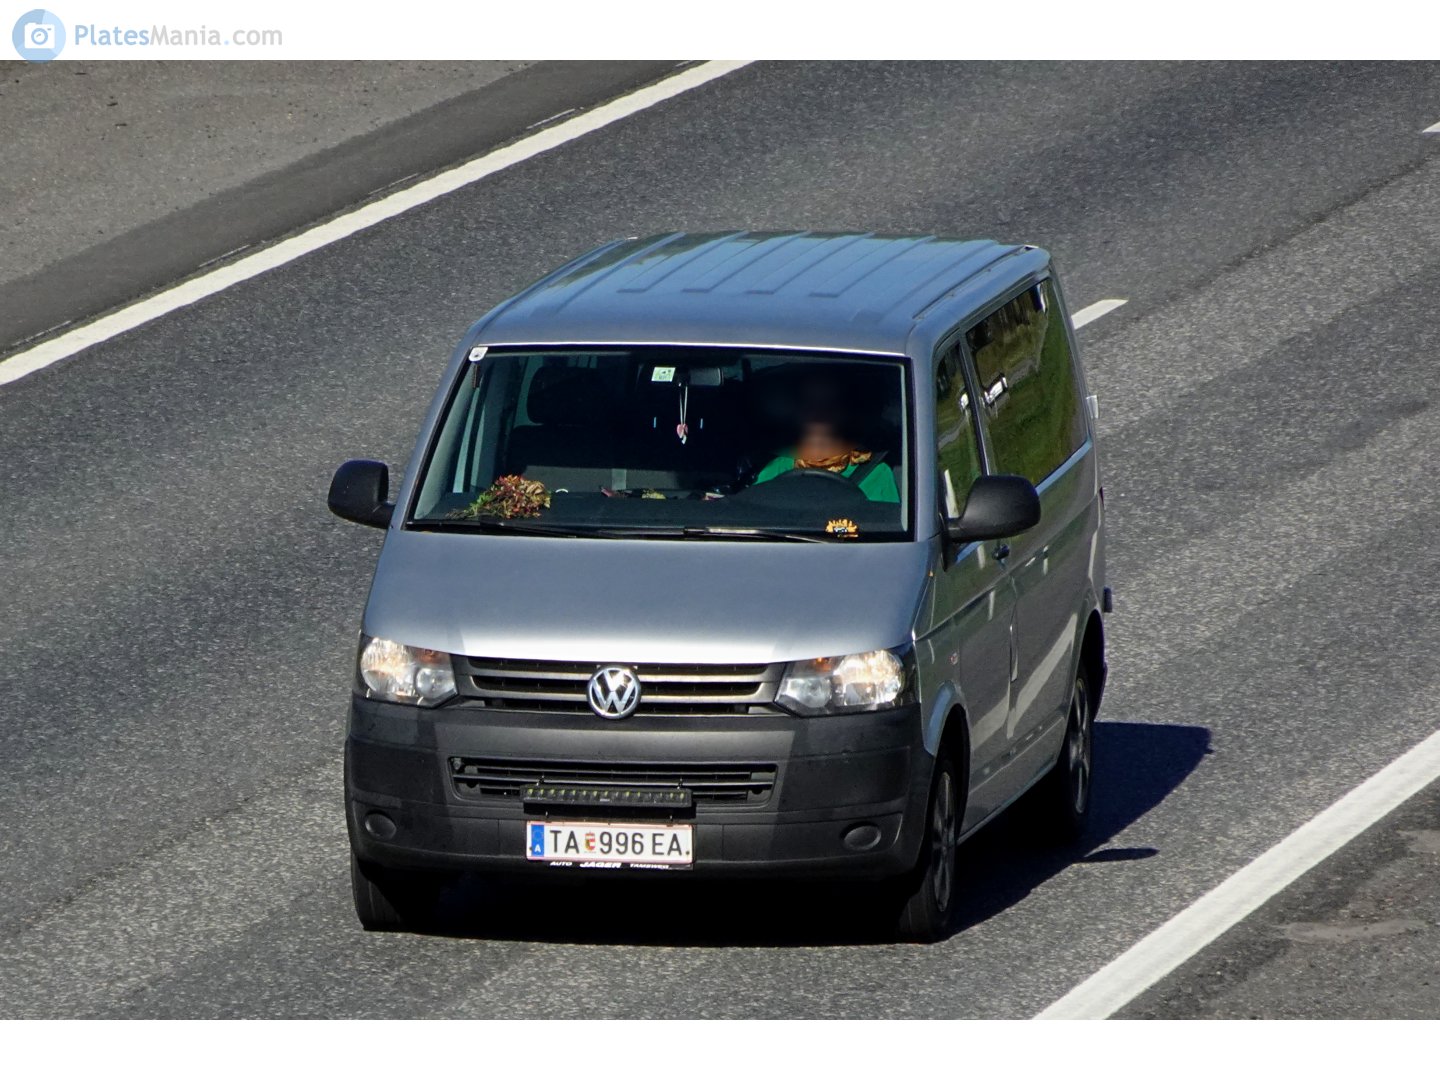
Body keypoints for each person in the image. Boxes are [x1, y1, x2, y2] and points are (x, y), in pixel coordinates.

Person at [752, 375, 899, 502]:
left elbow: (887, 527)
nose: (818, 415)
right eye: (810, 406)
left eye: (829, 406)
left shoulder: (876, 473)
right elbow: (752, 515)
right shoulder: (778, 468)